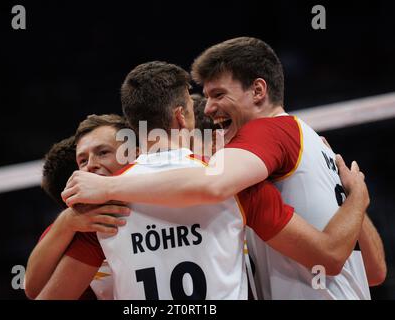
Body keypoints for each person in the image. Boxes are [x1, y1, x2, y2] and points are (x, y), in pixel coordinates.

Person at [62, 38, 386, 299]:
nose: (210, 107)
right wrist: (357, 198)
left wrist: (108, 187)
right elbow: (375, 273)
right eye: (204, 98)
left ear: (258, 91)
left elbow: (213, 184)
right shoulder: (313, 141)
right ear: (181, 117)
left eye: (218, 94)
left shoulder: (265, 134)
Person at [24, 115, 132, 300]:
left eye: (103, 152)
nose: (91, 165)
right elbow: (32, 289)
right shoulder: (88, 223)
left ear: (135, 154)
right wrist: (67, 221)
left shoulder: (174, 186)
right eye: (82, 161)